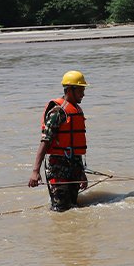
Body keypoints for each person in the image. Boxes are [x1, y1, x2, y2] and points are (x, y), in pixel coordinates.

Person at [29, 70, 90, 211]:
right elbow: (45, 141)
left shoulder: (76, 110)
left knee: (73, 209)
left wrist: (81, 172)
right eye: (80, 90)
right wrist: (35, 171)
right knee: (60, 209)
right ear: (70, 90)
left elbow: (75, 148)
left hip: (74, 168)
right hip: (58, 168)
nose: (83, 94)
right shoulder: (57, 113)